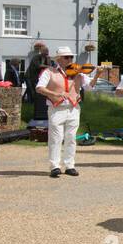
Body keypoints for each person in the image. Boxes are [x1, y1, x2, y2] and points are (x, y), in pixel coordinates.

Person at [36, 47, 101, 178]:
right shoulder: (49, 72)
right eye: (67, 57)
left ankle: (70, 165)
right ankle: (55, 166)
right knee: (56, 138)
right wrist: (55, 93)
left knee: (71, 138)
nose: (70, 59)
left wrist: (98, 74)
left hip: (73, 108)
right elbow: (39, 88)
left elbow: (89, 86)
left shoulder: (79, 72)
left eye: (71, 57)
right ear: (59, 59)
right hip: (56, 108)